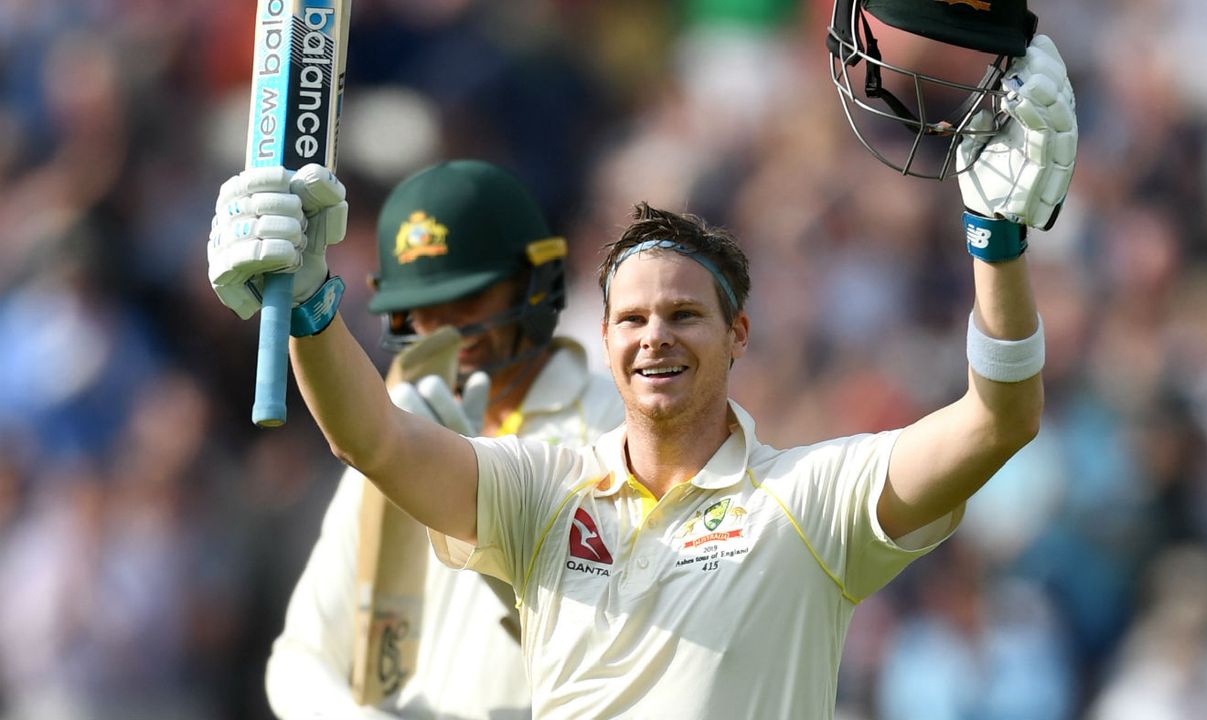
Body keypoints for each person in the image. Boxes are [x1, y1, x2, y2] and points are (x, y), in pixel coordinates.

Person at [206, 2, 1076, 715]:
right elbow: (375, 444)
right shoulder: (541, 490)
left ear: (738, 336)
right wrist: (311, 303)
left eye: (685, 315)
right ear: (606, 336)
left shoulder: (809, 503)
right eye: (633, 319)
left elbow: (1000, 420)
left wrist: (994, 245)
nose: (655, 335)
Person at [254, 160, 624, 718]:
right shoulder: (394, 425)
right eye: (423, 314)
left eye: (469, 303)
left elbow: (623, 643)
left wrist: (457, 482)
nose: (448, 335)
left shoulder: (615, 431)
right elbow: (302, 656)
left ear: (533, 284)